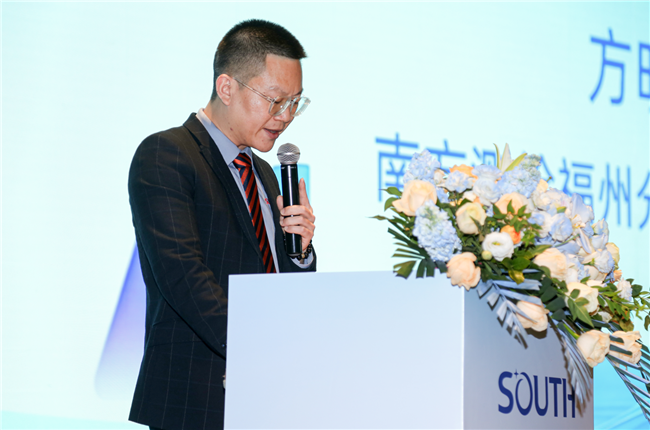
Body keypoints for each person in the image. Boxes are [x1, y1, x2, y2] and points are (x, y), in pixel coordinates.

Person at [127, 19, 316, 430]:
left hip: (270, 398)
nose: (286, 116)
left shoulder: (265, 174)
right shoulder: (166, 155)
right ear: (227, 88)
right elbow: (183, 275)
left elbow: (279, 287)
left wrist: (300, 253)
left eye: (295, 103)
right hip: (196, 399)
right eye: (275, 100)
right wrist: (261, 351)